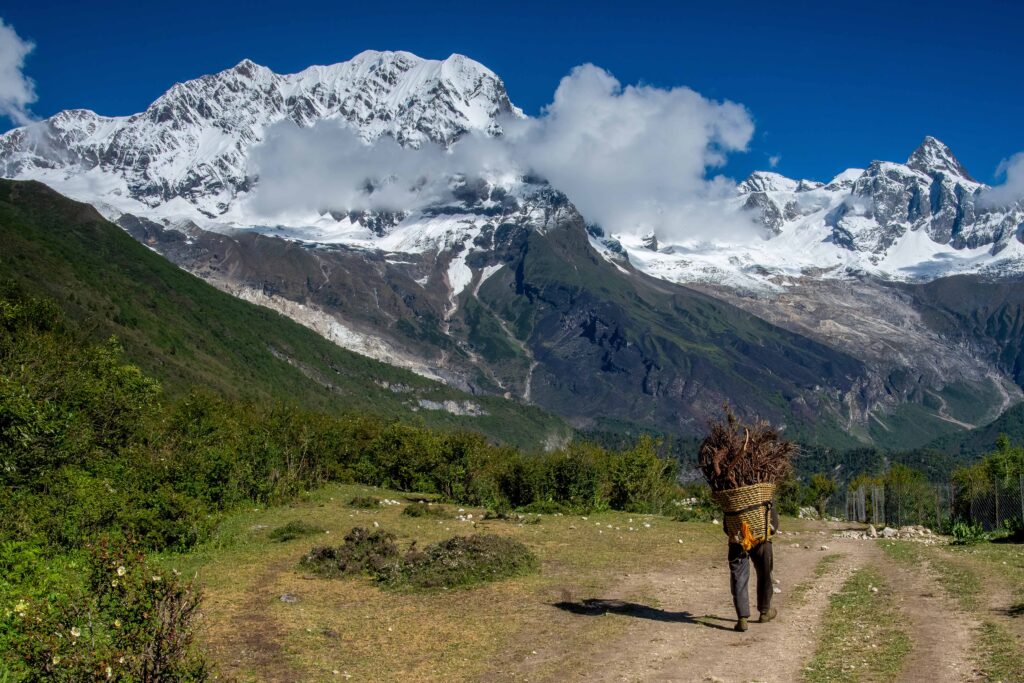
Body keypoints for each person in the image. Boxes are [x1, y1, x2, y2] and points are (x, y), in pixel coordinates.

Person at [728, 502, 779, 632]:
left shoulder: (730, 498)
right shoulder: (761, 494)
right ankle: (765, 611)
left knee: (739, 576)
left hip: (737, 538)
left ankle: (742, 619)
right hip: (761, 538)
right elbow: (773, 523)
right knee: (765, 573)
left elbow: (726, 525)